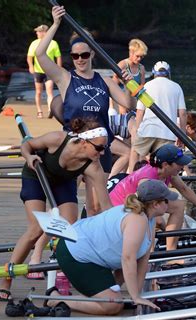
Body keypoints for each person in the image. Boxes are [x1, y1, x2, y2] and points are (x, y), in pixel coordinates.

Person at [0, 118, 112, 301]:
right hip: (36, 175)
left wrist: (121, 222)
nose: (102, 153)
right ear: (84, 141)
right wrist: (29, 157)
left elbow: (106, 206)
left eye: (105, 148)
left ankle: (63, 275)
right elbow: (26, 145)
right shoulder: (57, 139)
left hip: (63, 182)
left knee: (70, 230)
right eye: (99, 148)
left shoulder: (94, 167)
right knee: (35, 229)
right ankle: (6, 281)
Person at [35, 5, 136, 216]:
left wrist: (128, 84)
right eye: (75, 56)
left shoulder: (105, 81)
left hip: (100, 148)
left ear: (92, 54)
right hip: (73, 146)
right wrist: (55, 24)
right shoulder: (65, 78)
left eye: (83, 55)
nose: (79, 59)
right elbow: (40, 54)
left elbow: (128, 105)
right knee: (66, 204)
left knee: (96, 206)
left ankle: (93, 243)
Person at [45, 179, 172, 315]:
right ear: (155, 204)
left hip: (92, 252)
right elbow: (128, 258)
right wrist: (134, 295)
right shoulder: (137, 219)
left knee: (118, 292)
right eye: (166, 200)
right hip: (73, 253)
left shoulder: (149, 218)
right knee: (113, 306)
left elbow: (143, 259)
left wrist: (137, 296)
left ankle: (104, 294)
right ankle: (55, 299)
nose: (169, 203)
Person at [109, 144, 196, 251]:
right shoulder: (147, 180)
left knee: (179, 205)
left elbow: (184, 189)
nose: (182, 166)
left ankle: (170, 252)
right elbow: (155, 217)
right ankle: (150, 255)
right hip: (119, 210)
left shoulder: (169, 172)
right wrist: (167, 230)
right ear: (166, 164)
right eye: (179, 163)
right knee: (153, 217)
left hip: (136, 204)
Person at [130, 61, 187, 172]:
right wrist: (182, 135)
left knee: (136, 153)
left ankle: (131, 176)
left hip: (148, 130)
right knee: (163, 164)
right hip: (168, 132)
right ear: (168, 73)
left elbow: (140, 112)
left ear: (154, 73)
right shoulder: (176, 87)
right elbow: (183, 114)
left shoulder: (147, 86)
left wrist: (136, 130)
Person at [108, 39, 148, 175]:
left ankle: (125, 172)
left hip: (136, 105)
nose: (139, 59)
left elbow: (143, 87)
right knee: (130, 137)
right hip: (123, 103)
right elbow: (112, 85)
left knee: (131, 141)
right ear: (131, 52)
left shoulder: (141, 68)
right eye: (137, 56)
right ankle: (127, 171)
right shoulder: (122, 65)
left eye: (142, 57)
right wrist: (111, 106)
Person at [27, 24, 62, 119]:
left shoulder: (53, 43)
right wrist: (31, 66)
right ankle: (39, 111)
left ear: (44, 32)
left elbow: (58, 57)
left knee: (49, 91)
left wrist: (59, 68)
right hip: (38, 71)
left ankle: (50, 110)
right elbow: (29, 57)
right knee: (38, 92)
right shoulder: (34, 43)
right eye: (37, 31)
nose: (37, 33)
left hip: (49, 71)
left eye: (38, 31)